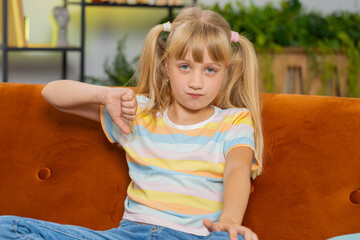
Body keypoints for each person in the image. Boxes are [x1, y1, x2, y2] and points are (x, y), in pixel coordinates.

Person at [0, 6, 263, 240]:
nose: (196, 82)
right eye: (184, 66)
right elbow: (52, 93)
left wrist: (229, 221)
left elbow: (237, 170)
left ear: (225, 72)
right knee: (7, 227)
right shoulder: (137, 112)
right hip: (130, 233)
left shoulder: (234, 120)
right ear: (165, 65)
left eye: (210, 70)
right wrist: (103, 95)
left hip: (198, 236)